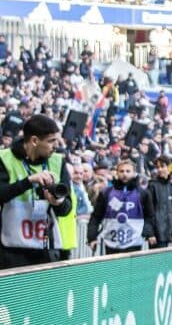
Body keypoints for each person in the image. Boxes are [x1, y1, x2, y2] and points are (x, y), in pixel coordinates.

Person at [0, 114, 73, 269]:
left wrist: (57, 202)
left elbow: (67, 208)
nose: (56, 145)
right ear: (34, 141)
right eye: (51, 141)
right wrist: (29, 181)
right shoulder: (4, 158)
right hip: (11, 249)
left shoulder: (58, 161)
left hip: (46, 248)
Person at [87, 159, 156, 255]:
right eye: (121, 171)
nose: (125, 174)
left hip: (134, 243)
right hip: (111, 244)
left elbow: (150, 216)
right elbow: (96, 217)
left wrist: (149, 233)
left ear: (134, 173)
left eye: (128, 171)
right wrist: (92, 237)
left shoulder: (143, 193)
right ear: (117, 173)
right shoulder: (106, 193)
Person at [149, 155, 172, 248]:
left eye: (162, 166)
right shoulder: (152, 186)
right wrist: (150, 233)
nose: (160, 169)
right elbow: (148, 211)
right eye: (157, 167)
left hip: (170, 233)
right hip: (157, 234)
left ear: (169, 167)